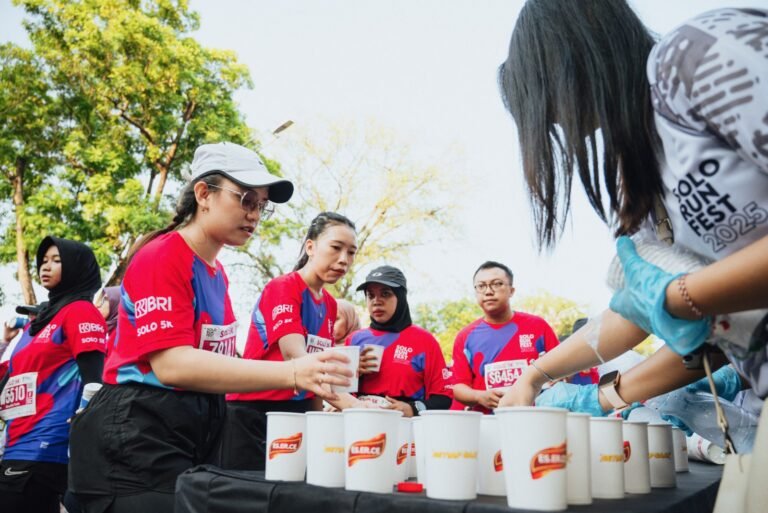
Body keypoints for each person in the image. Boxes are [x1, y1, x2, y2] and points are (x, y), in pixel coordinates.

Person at [496, 2, 768, 414]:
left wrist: (679, 297)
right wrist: (537, 375)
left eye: (548, 104)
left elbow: (672, 298)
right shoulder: (639, 171)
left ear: (571, 57)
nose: (558, 124)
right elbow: (637, 309)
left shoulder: (699, 56)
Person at [68, 143, 352, 513]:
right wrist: (294, 372)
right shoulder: (163, 255)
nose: (254, 215)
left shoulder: (217, 275)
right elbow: (172, 364)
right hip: (138, 435)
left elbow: (216, 360)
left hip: (188, 431)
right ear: (204, 194)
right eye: (246, 199)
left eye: (261, 206)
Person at [221, 211, 361, 471]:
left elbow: (320, 372)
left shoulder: (330, 305)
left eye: (351, 252)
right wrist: (352, 404)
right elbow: (295, 357)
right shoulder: (283, 287)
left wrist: (321, 419)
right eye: (336, 248)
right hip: (252, 412)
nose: (344, 260)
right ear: (310, 246)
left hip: (298, 412)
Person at [0, 236, 107, 513]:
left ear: (76, 267)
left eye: (57, 261)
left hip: (49, 445)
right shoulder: (33, 326)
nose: (45, 267)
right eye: (43, 261)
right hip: (14, 442)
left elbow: (95, 382)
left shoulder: (81, 312)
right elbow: (10, 381)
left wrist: (81, 428)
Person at [451, 261, 559, 413]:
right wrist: (479, 396)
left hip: (532, 419)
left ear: (511, 290)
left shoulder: (538, 327)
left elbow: (561, 369)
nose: (488, 291)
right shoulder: (465, 337)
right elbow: (458, 387)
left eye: (497, 284)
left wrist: (557, 379)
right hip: (487, 424)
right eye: (481, 286)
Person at [348, 265, 452, 416]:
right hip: (362, 423)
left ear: (401, 296)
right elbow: (336, 392)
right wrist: (353, 372)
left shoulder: (425, 341)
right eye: (370, 295)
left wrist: (412, 409)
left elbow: (444, 399)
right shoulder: (355, 339)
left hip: (406, 430)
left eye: (385, 294)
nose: (376, 301)